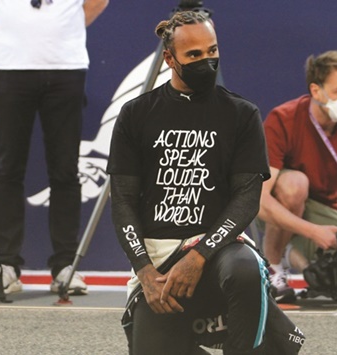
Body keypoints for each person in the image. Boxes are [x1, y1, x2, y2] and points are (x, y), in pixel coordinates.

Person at [107, 10, 304, 355]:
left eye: (212, 51)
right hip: (158, 261)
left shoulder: (241, 113)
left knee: (244, 268)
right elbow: (122, 201)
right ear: (170, 58)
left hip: (219, 249)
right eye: (194, 55)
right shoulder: (135, 114)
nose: (206, 61)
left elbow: (246, 199)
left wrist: (199, 255)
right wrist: (143, 271)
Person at [0, 0, 109, 295]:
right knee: (7, 169)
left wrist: (63, 30)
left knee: (66, 170)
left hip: (65, 66)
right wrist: (8, 27)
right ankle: (6, 264)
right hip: (9, 65)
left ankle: (65, 267)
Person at [258, 50, 337, 302]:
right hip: (278, 207)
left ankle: (292, 254)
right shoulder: (283, 119)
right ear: (316, 90)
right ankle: (274, 268)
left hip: (322, 208)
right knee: (294, 184)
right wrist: (313, 232)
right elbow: (258, 199)